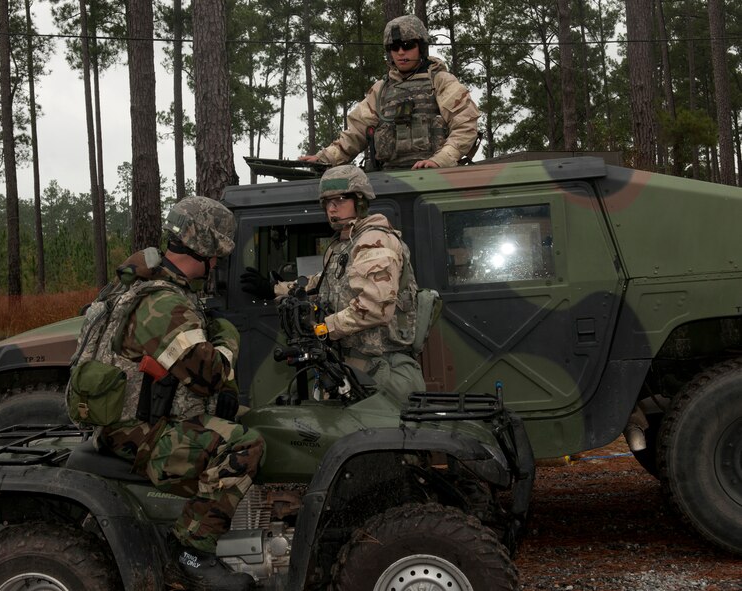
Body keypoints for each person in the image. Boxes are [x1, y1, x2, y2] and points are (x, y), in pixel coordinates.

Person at [73, 196, 263, 591]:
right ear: (209, 251)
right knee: (245, 445)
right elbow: (209, 375)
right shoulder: (163, 302)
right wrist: (228, 339)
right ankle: (190, 552)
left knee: (242, 416)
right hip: (136, 433)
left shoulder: (151, 283)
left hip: (137, 419)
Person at [241, 165, 425, 404]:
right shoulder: (343, 245)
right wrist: (275, 289)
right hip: (351, 365)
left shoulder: (374, 240)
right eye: (326, 202)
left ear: (359, 200)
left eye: (339, 199)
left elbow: (375, 307)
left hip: (378, 369)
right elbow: (323, 282)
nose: (331, 208)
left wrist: (323, 328)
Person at [300, 15, 481, 171]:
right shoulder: (381, 90)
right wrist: (326, 158)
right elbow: (356, 133)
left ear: (421, 47)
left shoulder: (441, 81)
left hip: (436, 177)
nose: (401, 52)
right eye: (395, 48)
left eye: (408, 45)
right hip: (389, 181)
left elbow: (465, 126)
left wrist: (439, 160)